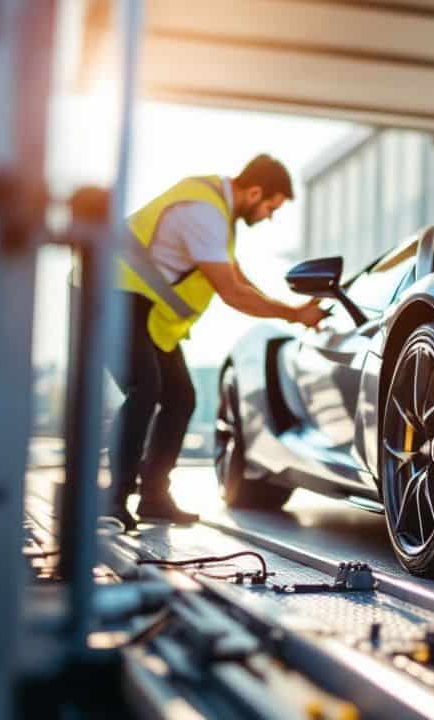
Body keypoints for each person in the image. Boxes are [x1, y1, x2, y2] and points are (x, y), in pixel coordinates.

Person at [107, 154, 327, 528]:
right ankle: (112, 500)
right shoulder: (206, 214)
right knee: (144, 387)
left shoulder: (217, 211)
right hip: (111, 293)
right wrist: (294, 315)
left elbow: (240, 280)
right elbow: (233, 294)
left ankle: (154, 497)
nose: (268, 216)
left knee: (180, 397)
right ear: (255, 191)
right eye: (270, 207)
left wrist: (291, 309)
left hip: (142, 307)